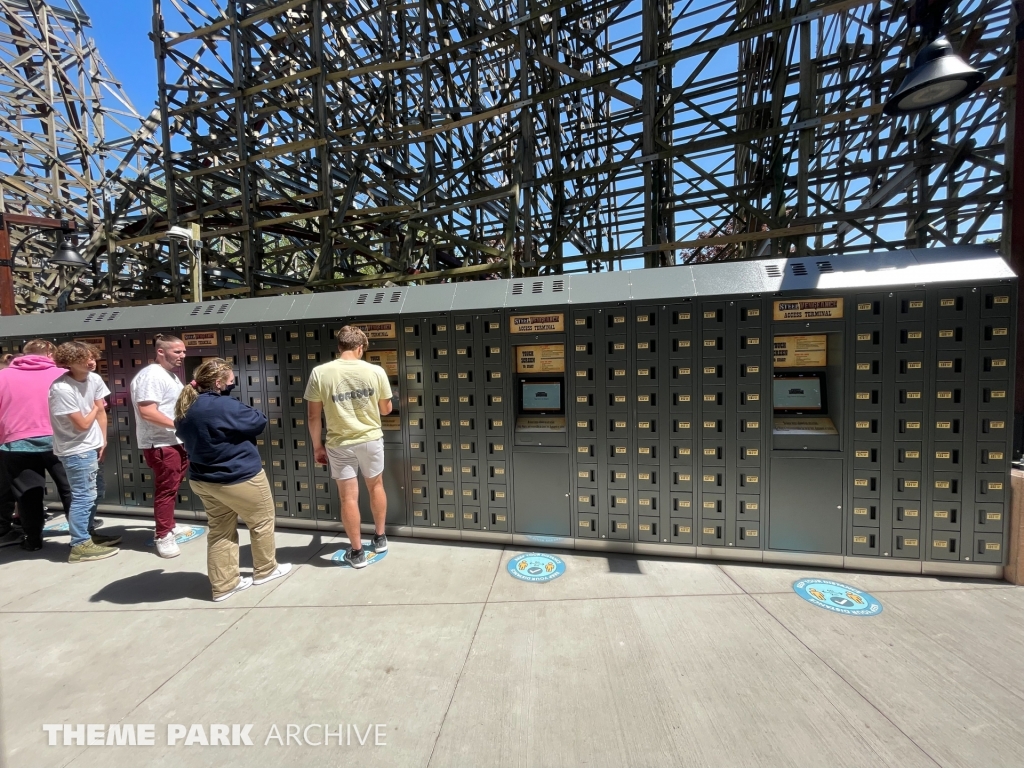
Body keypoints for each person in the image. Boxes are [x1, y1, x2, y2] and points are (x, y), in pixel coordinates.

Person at [174, 359, 291, 601]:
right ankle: (265, 570)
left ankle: (224, 585)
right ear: (218, 382)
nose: (233, 382)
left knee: (219, 531)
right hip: (238, 478)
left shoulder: (187, 405)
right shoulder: (223, 405)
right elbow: (258, 421)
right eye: (230, 378)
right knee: (261, 522)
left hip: (203, 479)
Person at [305, 325, 393, 568]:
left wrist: (317, 446)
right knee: (376, 486)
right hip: (370, 439)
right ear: (360, 348)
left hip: (339, 443)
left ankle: (356, 553)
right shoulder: (376, 371)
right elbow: (386, 410)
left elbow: (313, 416)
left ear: (339, 347)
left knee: (348, 498)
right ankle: (380, 537)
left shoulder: (320, 373)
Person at [48, 341, 120, 563]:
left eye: (93, 357)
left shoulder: (94, 379)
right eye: (84, 359)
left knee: (96, 491)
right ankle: (79, 545)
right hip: (75, 450)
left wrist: (103, 441)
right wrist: (95, 408)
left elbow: (100, 415)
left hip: (92, 446)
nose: (91, 362)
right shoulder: (61, 388)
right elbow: (82, 423)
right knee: (83, 496)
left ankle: (89, 535)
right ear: (69, 362)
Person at [0, 340, 73, 551]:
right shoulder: (62, 374)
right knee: (70, 490)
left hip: (16, 443)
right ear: (50, 353)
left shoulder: (3, 375)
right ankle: (81, 536)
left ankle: (33, 540)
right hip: (60, 439)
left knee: (28, 494)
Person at [130, 333, 191, 557]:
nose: (182, 356)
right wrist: (178, 426)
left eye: (183, 351)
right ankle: (163, 535)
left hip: (174, 441)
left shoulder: (169, 375)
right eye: (177, 351)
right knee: (166, 490)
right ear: (160, 351)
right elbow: (147, 411)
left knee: (172, 487)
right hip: (160, 443)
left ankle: (169, 525)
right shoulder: (152, 375)